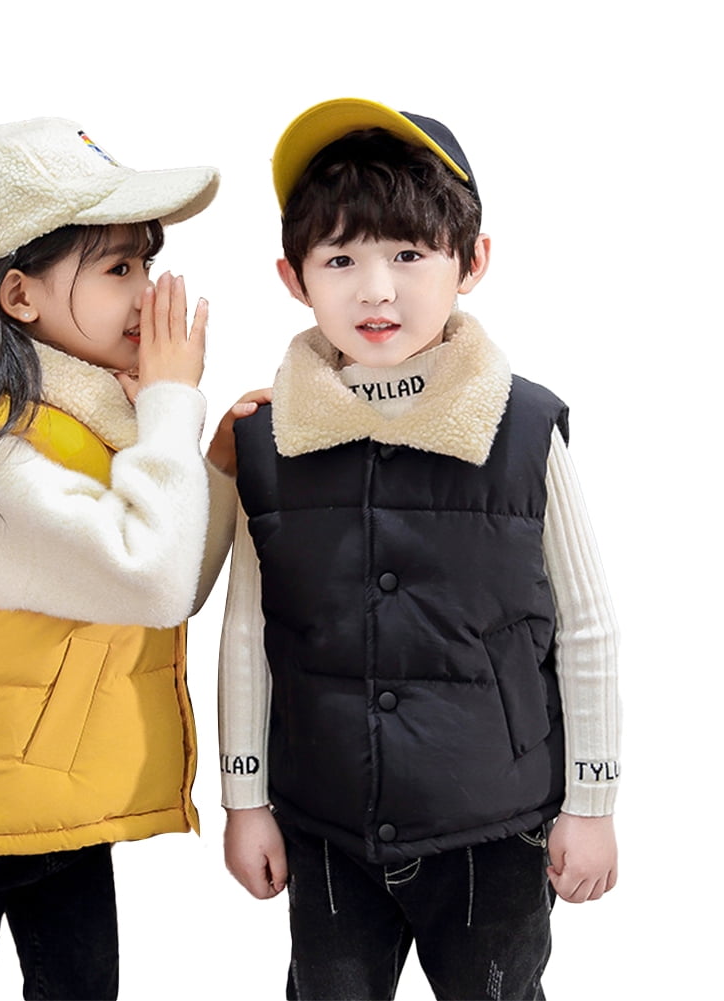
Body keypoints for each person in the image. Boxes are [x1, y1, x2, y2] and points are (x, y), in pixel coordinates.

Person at [0, 116, 258, 1001]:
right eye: (116, 269)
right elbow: (151, 578)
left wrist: (212, 466)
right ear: (20, 296)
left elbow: (167, 581)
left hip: (54, 798)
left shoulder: (81, 425)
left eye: (144, 263)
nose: (148, 294)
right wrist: (172, 406)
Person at [218, 98, 620, 1001]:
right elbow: (247, 633)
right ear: (292, 276)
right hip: (326, 822)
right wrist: (244, 796)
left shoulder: (523, 427)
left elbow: (588, 626)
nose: (375, 290)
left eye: (408, 254)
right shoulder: (268, 440)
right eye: (340, 259)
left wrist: (591, 802)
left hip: (492, 822)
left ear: (471, 261)